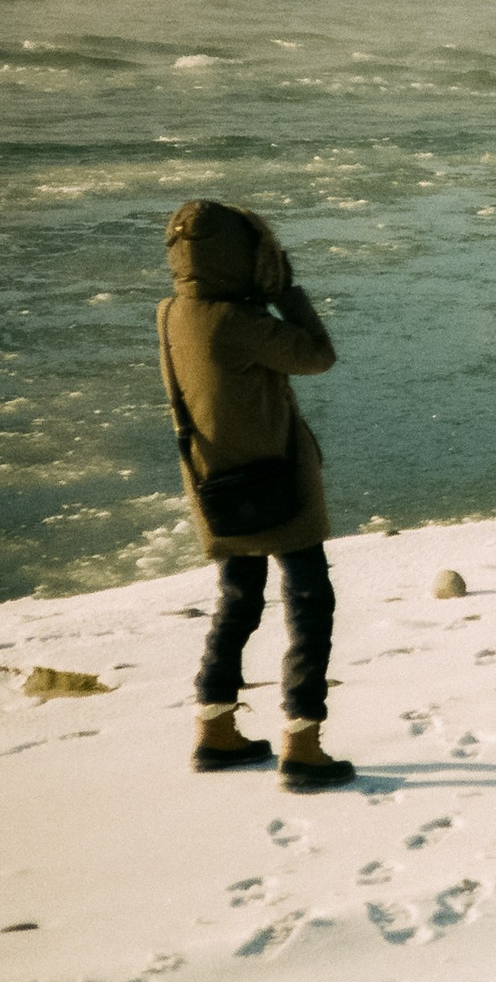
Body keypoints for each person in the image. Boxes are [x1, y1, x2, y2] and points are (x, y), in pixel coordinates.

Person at [158, 199, 354, 790]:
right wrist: (287, 293)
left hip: (217, 485)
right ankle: (303, 742)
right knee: (309, 602)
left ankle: (215, 731)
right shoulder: (237, 322)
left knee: (239, 601)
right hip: (276, 483)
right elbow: (318, 356)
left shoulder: (171, 313)